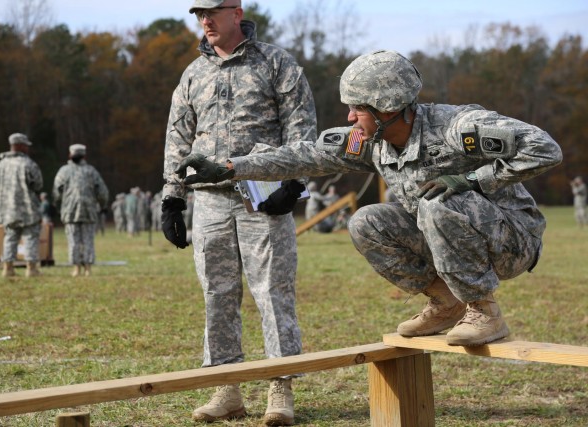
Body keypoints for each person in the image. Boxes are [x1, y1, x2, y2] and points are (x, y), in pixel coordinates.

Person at [176, 49, 563, 349]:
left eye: (359, 107)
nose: (349, 117)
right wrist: (229, 168)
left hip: (511, 240)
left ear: (389, 107)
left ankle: (485, 311)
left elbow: (544, 147)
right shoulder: (373, 141)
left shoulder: (456, 127)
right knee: (366, 221)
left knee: (439, 200)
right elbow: (303, 154)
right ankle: (447, 302)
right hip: (446, 237)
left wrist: (472, 179)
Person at [161, 0, 317, 424]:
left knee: (272, 291)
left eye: (212, 11)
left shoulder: (276, 63)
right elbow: (179, 135)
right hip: (209, 200)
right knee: (217, 292)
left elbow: (301, 127)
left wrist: (295, 183)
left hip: (263, 194)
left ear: (237, 11)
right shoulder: (193, 73)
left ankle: (279, 388)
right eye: (198, 14)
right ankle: (226, 388)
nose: (205, 21)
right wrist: (172, 196)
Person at [53, 144, 109, 277]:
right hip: (88, 211)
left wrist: (57, 205)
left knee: (73, 240)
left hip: (70, 212)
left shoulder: (63, 171)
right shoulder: (91, 171)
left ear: (70, 155)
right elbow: (102, 191)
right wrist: (103, 205)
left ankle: (76, 268)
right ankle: (88, 269)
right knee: (88, 240)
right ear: (84, 156)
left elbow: (57, 191)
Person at [0, 133, 44, 277]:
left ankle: (7, 269)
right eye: (26, 145)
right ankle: (31, 268)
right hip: (27, 209)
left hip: (7, 209)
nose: (28, 148)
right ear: (20, 146)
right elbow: (38, 184)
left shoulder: (1, 165)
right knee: (30, 237)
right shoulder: (28, 163)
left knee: (10, 237)